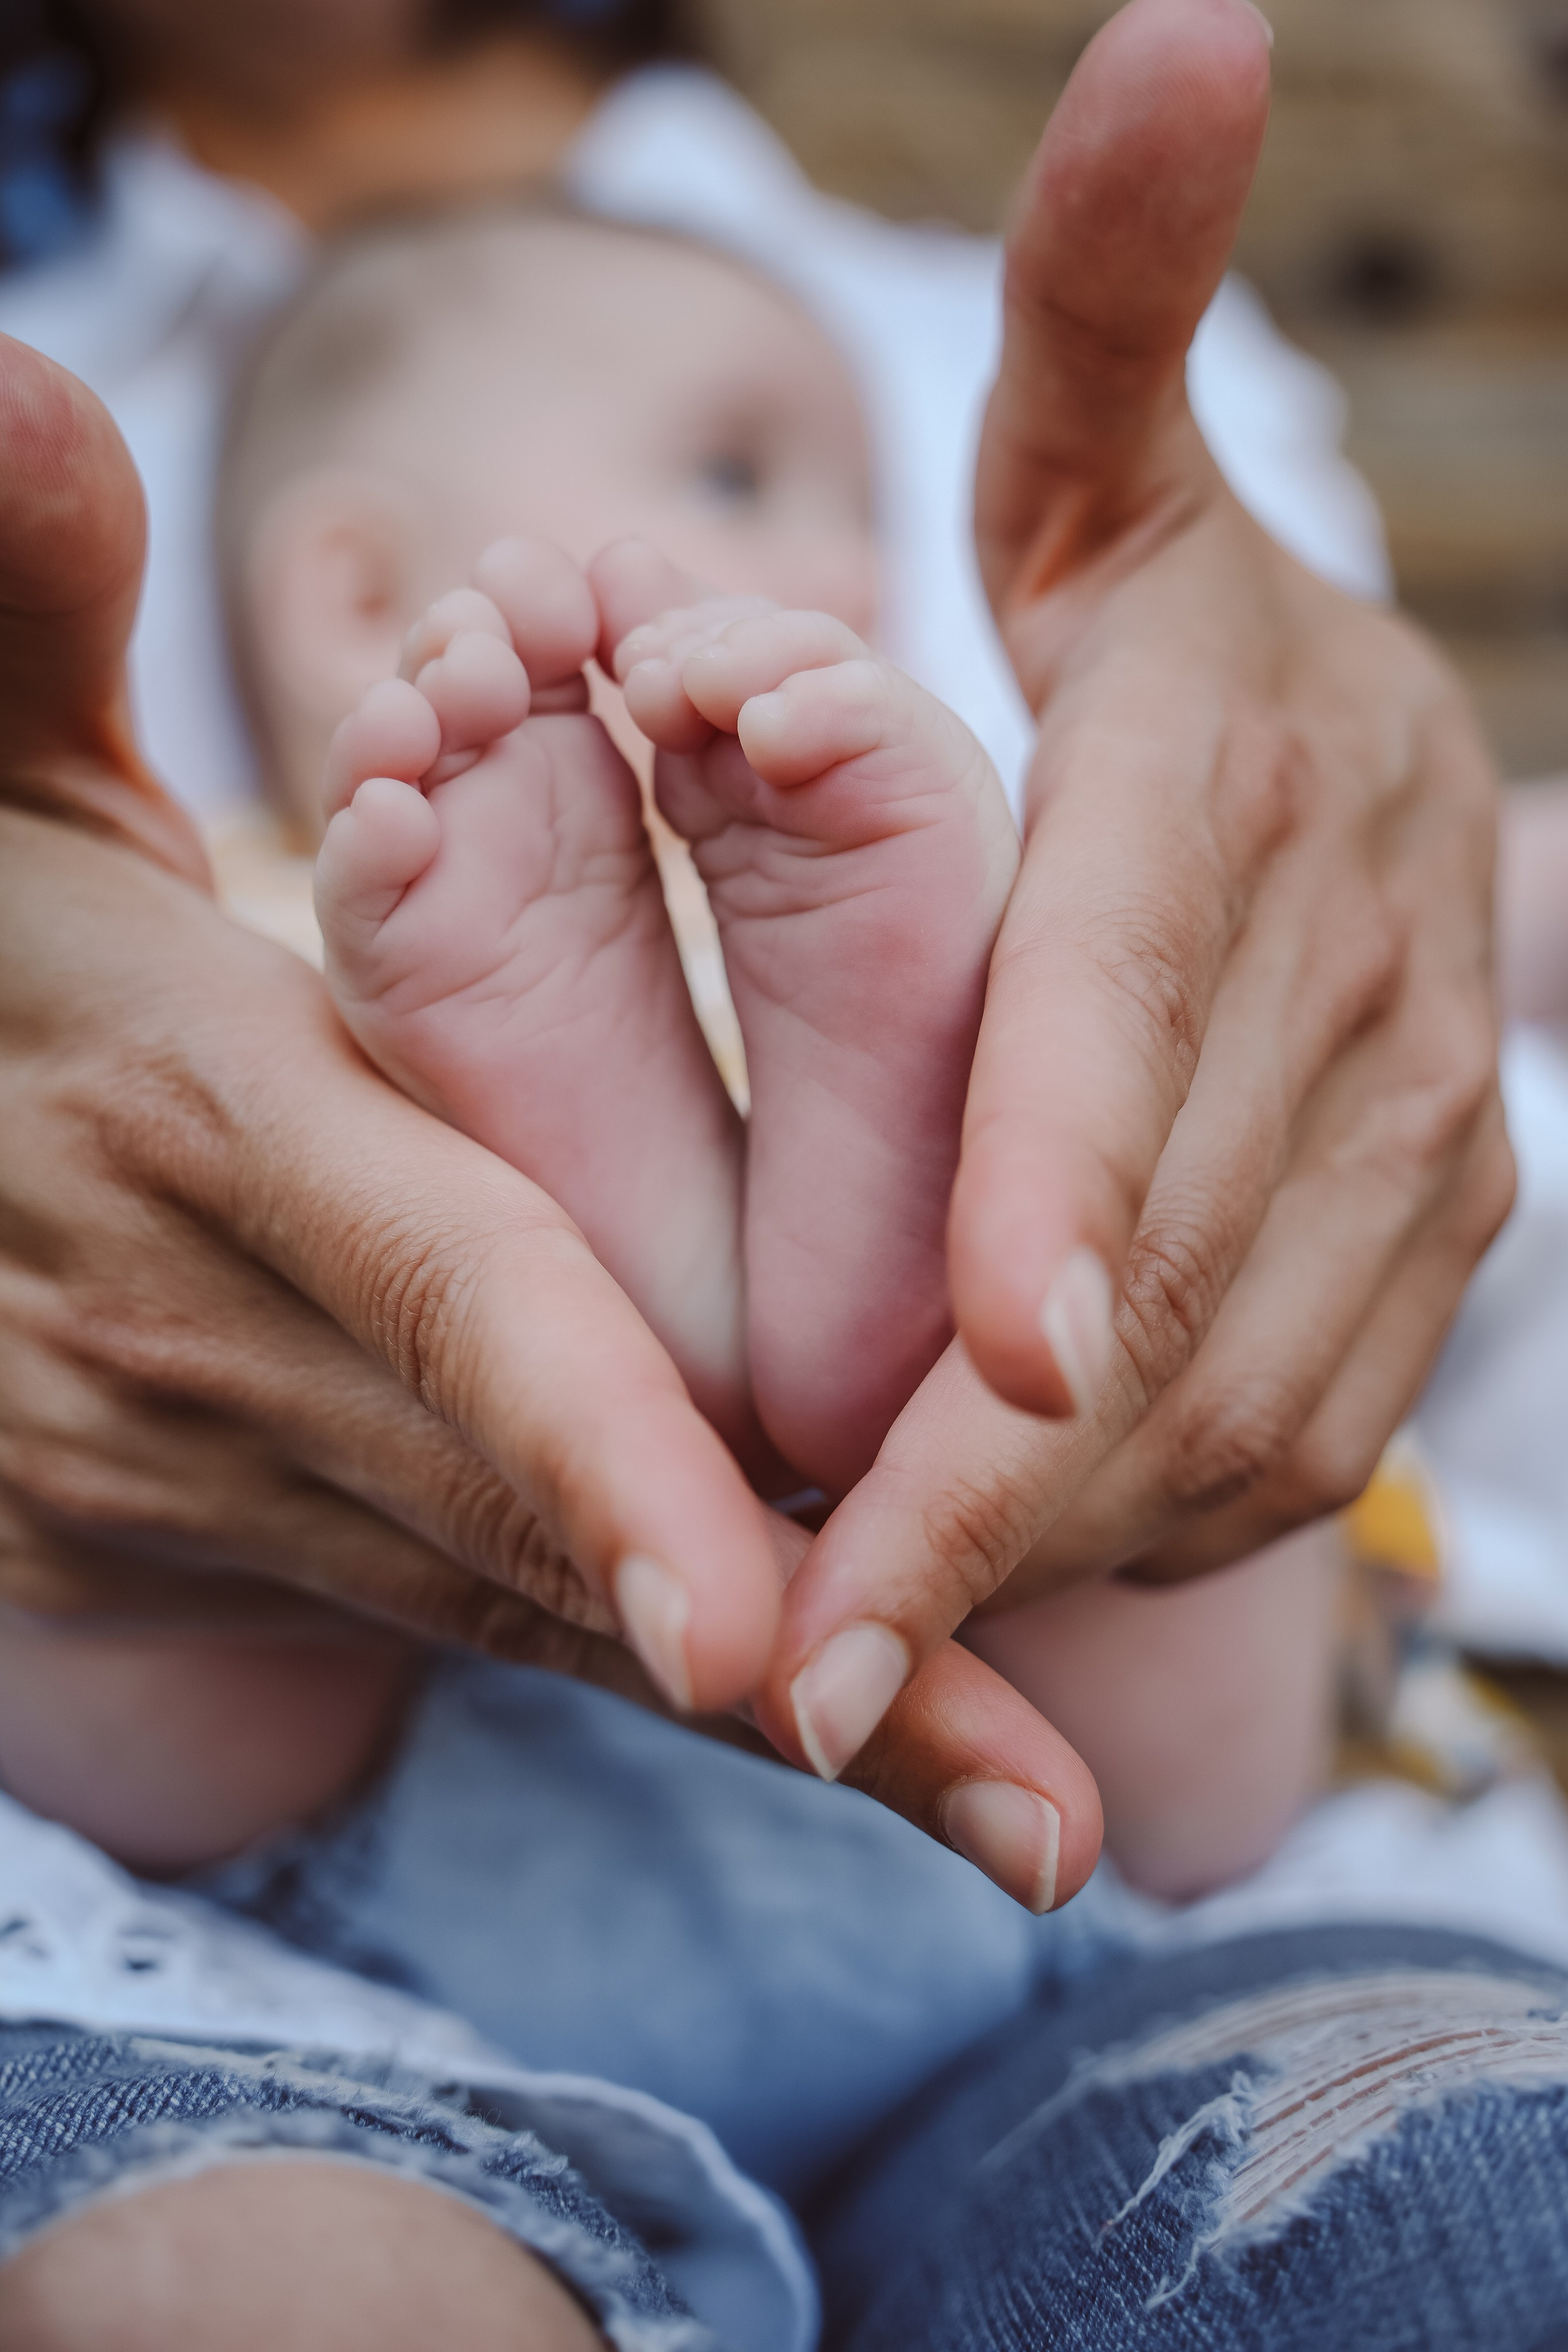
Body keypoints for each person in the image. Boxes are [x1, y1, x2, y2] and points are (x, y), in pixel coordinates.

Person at [0, 4, 1543, 2344]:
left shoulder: (998, 444)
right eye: (741, 482)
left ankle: (836, 1276)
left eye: (852, 501)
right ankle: (733, 1271)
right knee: (170, 1362)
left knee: (1128, 1228)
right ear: (351, 598)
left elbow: (1433, 980)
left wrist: (1448, 890)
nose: (840, 552)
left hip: (1035, 1814)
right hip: (298, 1862)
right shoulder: (199, 926)